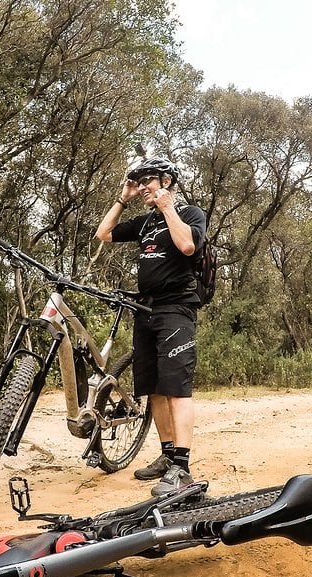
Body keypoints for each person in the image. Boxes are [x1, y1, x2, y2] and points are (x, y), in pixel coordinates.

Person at [95, 157, 206, 496]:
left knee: (176, 388)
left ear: (168, 181)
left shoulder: (190, 214)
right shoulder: (143, 223)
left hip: (176, 309)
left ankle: (182, 468)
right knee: (155, 388)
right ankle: (167, 454)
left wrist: (168, 208)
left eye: (150, 180)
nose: (143, 186)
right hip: (144, 309)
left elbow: (187, 245)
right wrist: (122, 198)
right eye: (139, 181)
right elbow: (104, 233)